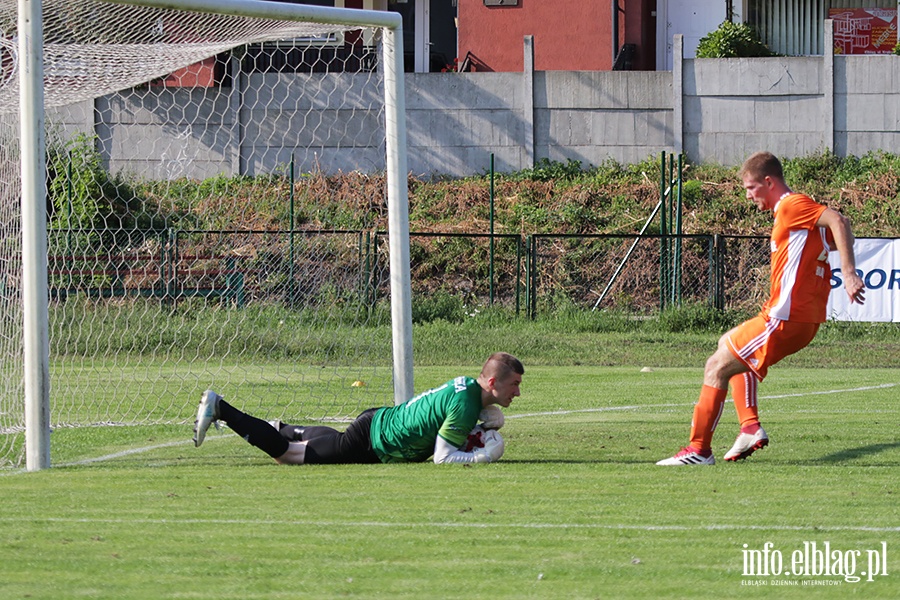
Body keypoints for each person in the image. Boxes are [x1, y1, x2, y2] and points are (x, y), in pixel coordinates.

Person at [657, 151, 866, 466]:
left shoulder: (792, 206)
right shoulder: (799, 215)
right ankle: (749, 427)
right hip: (800, 320)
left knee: (715, 366)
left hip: (785, 316)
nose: (748, 195)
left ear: (768, 182)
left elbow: (837, 219)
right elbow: (842, 225)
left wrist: (849, 273)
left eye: (750, 187)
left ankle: (698, 450)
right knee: (731, 350)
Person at [192, 352, 523, 465]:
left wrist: (488, 420)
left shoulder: (466, 387)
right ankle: (221, 408)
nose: (518, 392)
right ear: (493, 384)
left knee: (317, 440)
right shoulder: (466, 405)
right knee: (287, 456)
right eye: (514, 385)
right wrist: (480, 456)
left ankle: (278, 426)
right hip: (374, 440)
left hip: (377, 422)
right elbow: (443, 456)